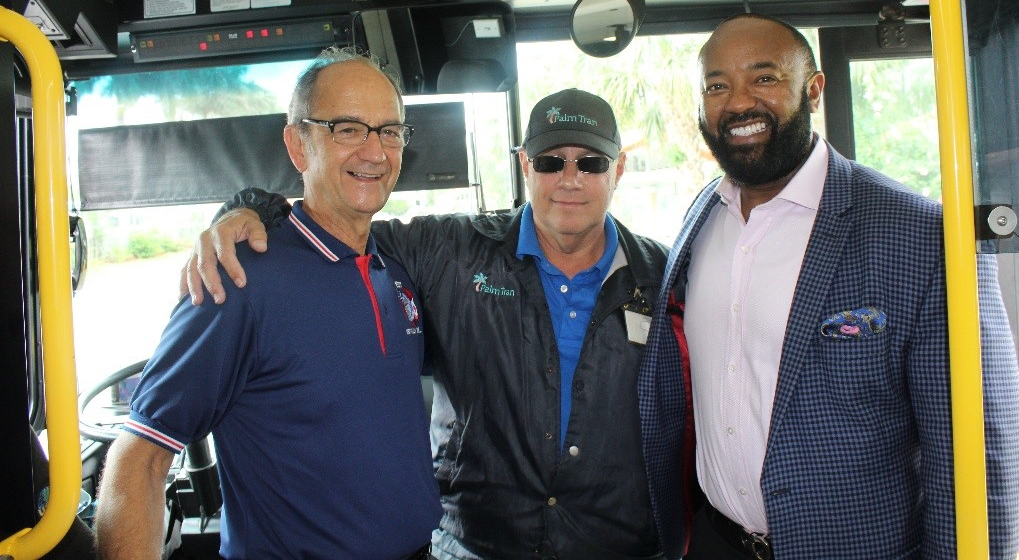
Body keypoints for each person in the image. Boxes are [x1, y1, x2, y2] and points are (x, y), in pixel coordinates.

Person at [182, 88, 677, 559]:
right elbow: (335, 228)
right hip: (473, 545)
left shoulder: (666, 277)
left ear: (618, 169)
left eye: (591, 163)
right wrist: (250, 208)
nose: (570, 179)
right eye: (550, 162)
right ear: (525, 165)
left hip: (619, 547)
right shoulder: (447, 252)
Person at [637, 13, 1019, 559]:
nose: (739, 102)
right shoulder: (702, 216)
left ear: (814, 89)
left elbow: (978, 454)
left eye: (764, 77)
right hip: (716, 542)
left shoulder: (922, 236)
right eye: (717, 85)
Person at [94, 49, 442, 559]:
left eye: (389, 131)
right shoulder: (238, 278)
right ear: (298, 145)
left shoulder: (398, 266)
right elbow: (140, 458)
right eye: (347, 129)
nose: (375, 152)